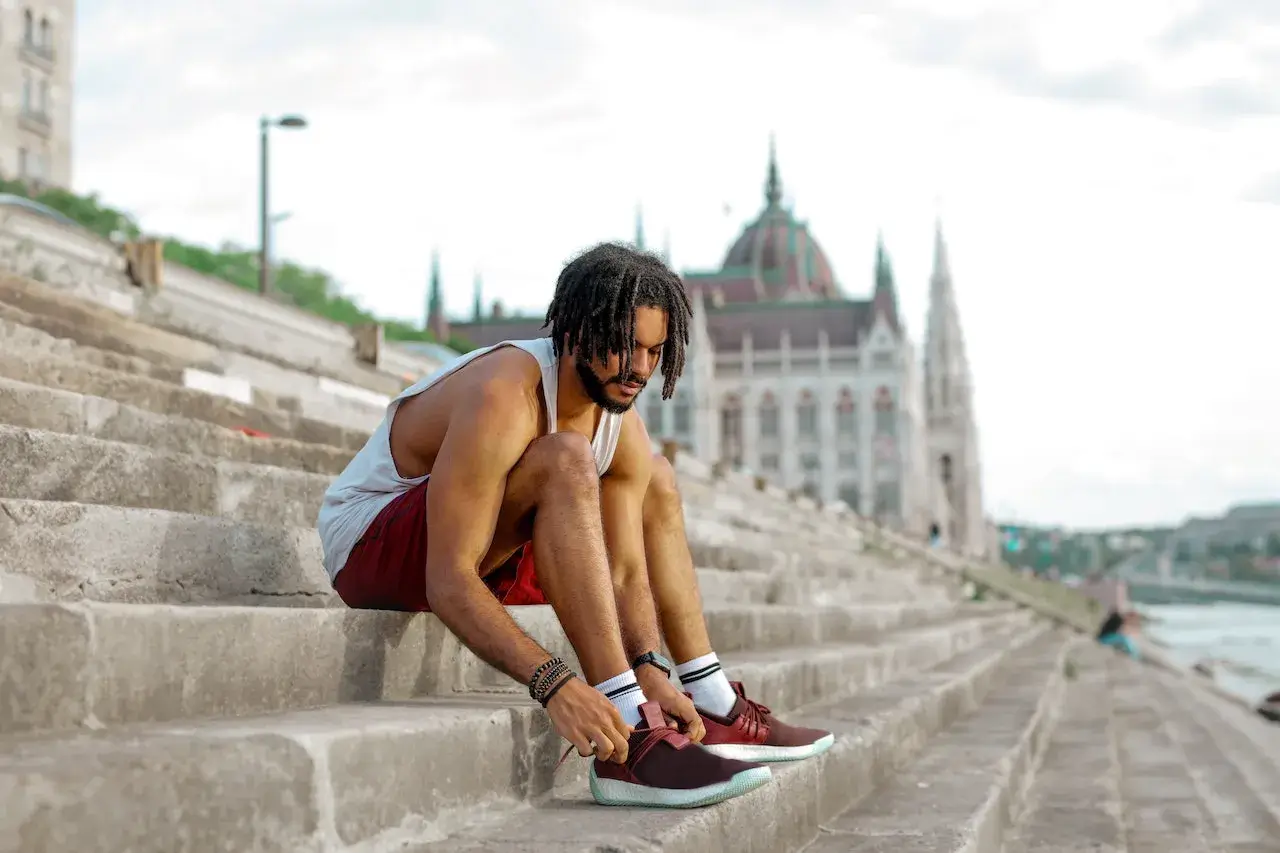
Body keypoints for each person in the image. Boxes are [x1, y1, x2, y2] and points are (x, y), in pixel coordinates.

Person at [317, 243, 833, 809]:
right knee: (566, 458)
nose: (638, 369)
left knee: (656, 476)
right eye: (623, 346)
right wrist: (557, 683)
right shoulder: (505, 392)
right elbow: (448, 578)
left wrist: (649, 665)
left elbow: (627, 569)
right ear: (576, 331)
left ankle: (710, 700)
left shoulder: (618, 416)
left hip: (489, 544)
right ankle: (630, 742)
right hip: (373, 546)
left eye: (654, 352)